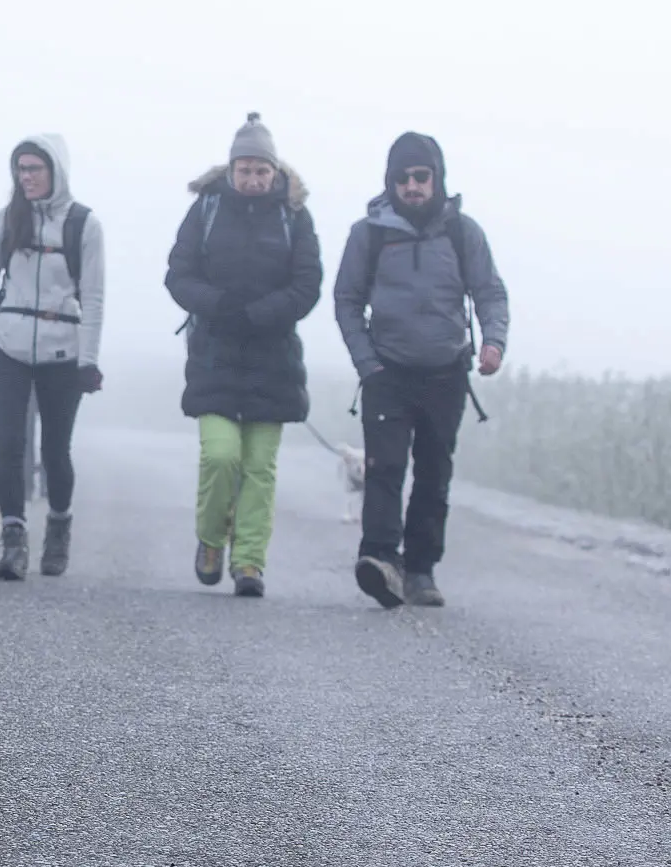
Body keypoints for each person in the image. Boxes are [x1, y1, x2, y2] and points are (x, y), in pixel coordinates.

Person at [334, 132, 509, 608]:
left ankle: (421, 570)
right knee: (385, 468)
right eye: (402, 178)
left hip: (446, 373)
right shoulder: (367, 234)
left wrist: (493, 342)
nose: (412, 186)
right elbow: (347, 301)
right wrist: (367, 363)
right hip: (386, 372)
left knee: (434, 473)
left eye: (421, 177)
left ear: (437, 179)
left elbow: (490, 292)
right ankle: (381, 561)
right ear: (389, 181)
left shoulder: (462, 232)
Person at [163, 113, 323, 598]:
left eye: (262, 171)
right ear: (231, 170)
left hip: (273, 359)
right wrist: (219, 306)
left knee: (259, 467)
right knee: (220, 457)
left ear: (275, 172)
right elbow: (178, 273)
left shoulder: (294, 215)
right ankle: (211, 541)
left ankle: (249, 561)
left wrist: (263, 313)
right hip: (214, 353)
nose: (253, 179)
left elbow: (308, 284)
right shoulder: (206, 209)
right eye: (245, 170)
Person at [0, 135, 105, 580]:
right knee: (10, 444)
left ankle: (58, 524)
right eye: (21, 169)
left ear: (56, 171)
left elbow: (93, 297)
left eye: (35, 168)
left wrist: (88, 360)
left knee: (55, 449)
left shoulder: (83, 225)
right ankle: (13, 541)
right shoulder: (7, 220)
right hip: (7, 346)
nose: (26, 176)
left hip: (63, 351)